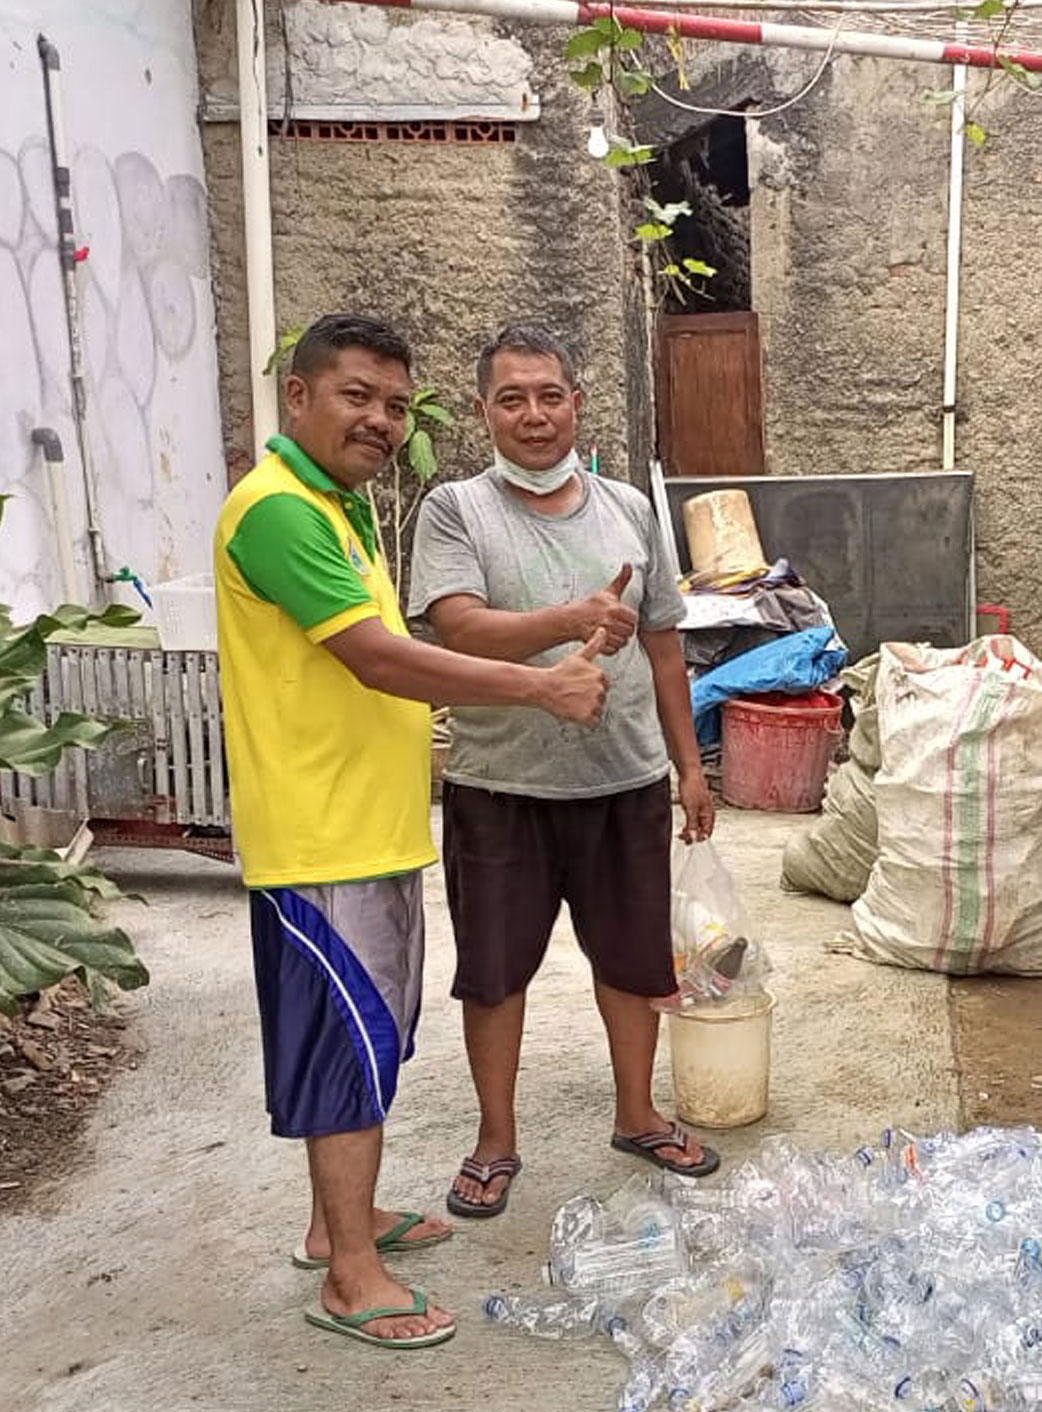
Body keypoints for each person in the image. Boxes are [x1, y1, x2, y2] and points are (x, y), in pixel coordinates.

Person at [214, 313, 615, 1351]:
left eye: (396, 405)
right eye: (357, 396)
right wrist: (538, 688)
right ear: (296, 396)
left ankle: (337, 1221)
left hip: (367, 831)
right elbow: (381, 659)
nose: (382, 421)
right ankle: (352, 1274)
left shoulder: (332, 510)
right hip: (322, 841)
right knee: (342, 1051)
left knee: (369, 1042)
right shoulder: (278, 514)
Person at [409, 323, 719, 1222]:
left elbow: (665, 649)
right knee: (495, 971)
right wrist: (569, 617)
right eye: (512, 398)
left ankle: (637, 1113)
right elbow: (456, 626)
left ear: (578, 403)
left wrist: (688, 768)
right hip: (501, 787)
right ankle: (495, 1140)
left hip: (624, 782)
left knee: (631, 962)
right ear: (483, 412)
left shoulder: (628, 508)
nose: (534, 416)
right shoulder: (456, 510)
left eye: (550, 395)